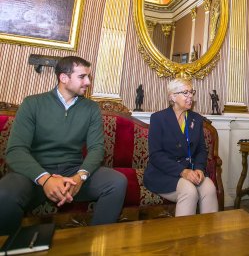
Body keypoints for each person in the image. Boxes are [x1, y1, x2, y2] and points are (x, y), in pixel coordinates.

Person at [0, 56, 127, 236]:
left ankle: (96, 241)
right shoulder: (32, 103)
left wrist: (80, 177)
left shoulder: (91, 108)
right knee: (4, 193)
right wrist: (45, 179)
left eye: (88, 77)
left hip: (73, 172)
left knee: (116, 182)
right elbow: (15, 151)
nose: (88, 82)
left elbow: (97, 149)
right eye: (82, 77)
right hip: (34, 174)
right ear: (63, 78)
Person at [144, 78, 218, 216]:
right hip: (164, 173)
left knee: (209, 188)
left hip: (191, 171)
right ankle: (183, 237)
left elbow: (202, 149)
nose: (190, 96)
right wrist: (182, 172)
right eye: (185, 93)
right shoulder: (158, 118)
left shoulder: (196, 119)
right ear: (172, 96)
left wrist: (199, 169)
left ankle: (209, 235)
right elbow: (156, 155)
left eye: (191, 92)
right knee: (189, 191)